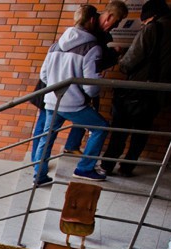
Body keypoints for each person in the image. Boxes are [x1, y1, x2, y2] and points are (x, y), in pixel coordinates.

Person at [100, 0, 171, 177]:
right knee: (141, 132)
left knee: (121, 129)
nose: (142, 23)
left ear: (151, 16)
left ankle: (107, 165)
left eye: (143, 20)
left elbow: (129, 63)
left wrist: (119, 58)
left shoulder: (153, 29)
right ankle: (128, 167)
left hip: (136, 90)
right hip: (160, 91)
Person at [31, 1, 128, 160]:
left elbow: (92, 62)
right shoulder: (88, 25)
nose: (114, 26)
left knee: (48, 131)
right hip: (62, 88)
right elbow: (90, 63)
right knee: (46, 128)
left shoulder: (77, 33)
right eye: (115, 21)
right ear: (109, 16)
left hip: (58, 88)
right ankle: (36, 162)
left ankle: (41, 165)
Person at [33, 4, 108, 185]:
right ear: (92, 20)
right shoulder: (92, 47)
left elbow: (43, 75)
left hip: (52, 100)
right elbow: (91, 85)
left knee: (47, 137)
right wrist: (89, 93)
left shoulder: (55, 46)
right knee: (101, 127)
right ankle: (85, 168)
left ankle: (39, 175)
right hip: (73, 103)